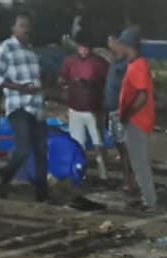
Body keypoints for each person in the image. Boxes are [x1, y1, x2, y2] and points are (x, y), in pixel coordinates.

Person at [0, 13, 47, 201]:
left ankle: (42, 193)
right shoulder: (5, 48)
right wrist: (20, 88)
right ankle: (4, 179)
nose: (26, 29)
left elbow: (38, 78)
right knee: (24, 149)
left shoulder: (32, 51)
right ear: (13, 28)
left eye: (28, 26)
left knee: (41, 150)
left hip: (36, 106)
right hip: (18, 105)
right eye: (22, 25)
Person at [114, 26, 157, 210]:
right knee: (137, 162)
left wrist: (126, 115)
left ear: (126, 45)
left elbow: (141, 96)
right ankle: (146, 198)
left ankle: (149, 201)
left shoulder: (137, 66)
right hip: (137, 120)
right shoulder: (136, 64)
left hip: (137, 121)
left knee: (140, 163)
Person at [59, 34, 109, 181]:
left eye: (87, 48)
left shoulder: (99, 63)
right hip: (75, 107)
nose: (84, 50)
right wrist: (64, 82)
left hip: (93, 108)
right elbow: (62, 77)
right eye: (81, 47)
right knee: (77, 142)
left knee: (98, 142)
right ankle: (80, 173)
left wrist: (90, 85)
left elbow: (106, 84)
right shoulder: (70, 61)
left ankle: (103, 174)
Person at [104, 34, 132, 193]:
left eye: (111, 42)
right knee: (120, 147)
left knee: (125, 147)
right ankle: (128, 179)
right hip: (113, 110)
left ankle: (131, 181)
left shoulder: (127, 64)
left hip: (121, 111)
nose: (110, 45)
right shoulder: (115, 62)